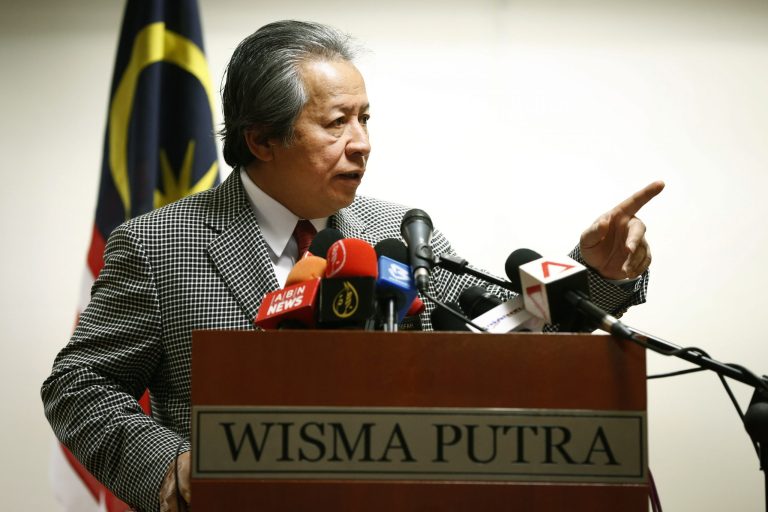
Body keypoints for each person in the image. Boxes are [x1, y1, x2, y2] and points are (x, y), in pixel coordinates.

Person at [41, 20, 664, 512]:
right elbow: (77, 386)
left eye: (365, 118)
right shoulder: (158, 246)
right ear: (261, 140)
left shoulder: (398, 232)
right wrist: (168, 465)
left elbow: (507, 343)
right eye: (337, 122)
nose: (362, 142)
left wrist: (596, 274)